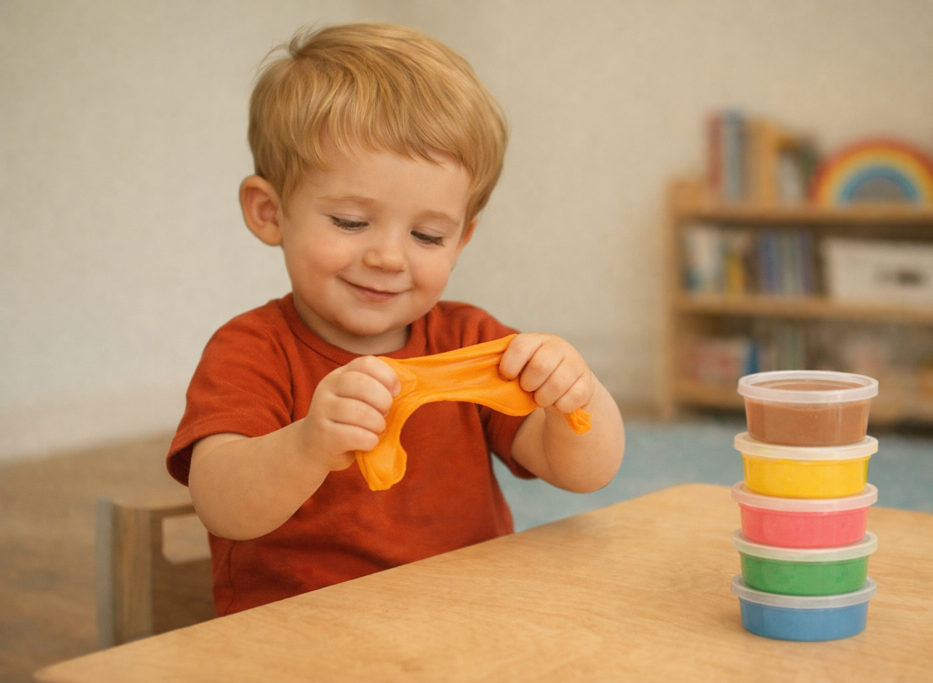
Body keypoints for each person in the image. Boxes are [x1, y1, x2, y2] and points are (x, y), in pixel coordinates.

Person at [167, 23, 625, 616]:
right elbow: (220, 502)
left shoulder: (473, 339)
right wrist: (306, 446)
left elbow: (586, 473)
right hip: (303, 633)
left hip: (466, 618)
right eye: (351, 222)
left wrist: (576, 397)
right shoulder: (252, 349)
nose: (388, 257)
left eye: (427, 235)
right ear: (269, 212)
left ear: (461, 240)